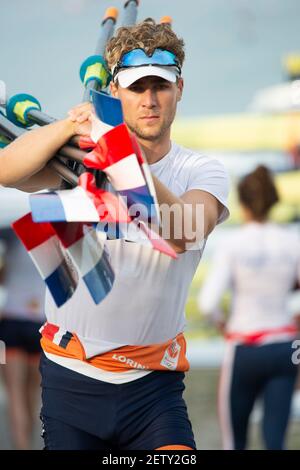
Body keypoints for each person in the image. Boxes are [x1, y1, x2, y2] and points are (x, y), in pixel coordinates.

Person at [0, 19, 229, 450]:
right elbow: (6, 171)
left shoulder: (201, 170)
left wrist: (125, 158)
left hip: (153, 389)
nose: (149, 100)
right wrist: (69, 128)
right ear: (115, 93)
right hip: (72, 381)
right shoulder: (79, 164)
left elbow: (185, 231)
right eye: (136, 88)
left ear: (179, 88)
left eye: (160, 86)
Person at [198, 165, 300, 450]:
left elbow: (207, 303)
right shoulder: (293, 241)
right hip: (285, 347)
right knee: (275, 441)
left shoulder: (232, 245)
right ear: (274, 202)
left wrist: (222, 325)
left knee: (235, 442)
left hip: (244, 347)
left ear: (242, 204)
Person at [0, 229, 45, 449]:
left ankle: (21, 445)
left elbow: (3, 278)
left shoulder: (11, 235)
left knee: (14, 394)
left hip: (11, 323)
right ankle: (28, 443)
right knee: (32, 395)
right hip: (40, 323)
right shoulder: (54, 237)